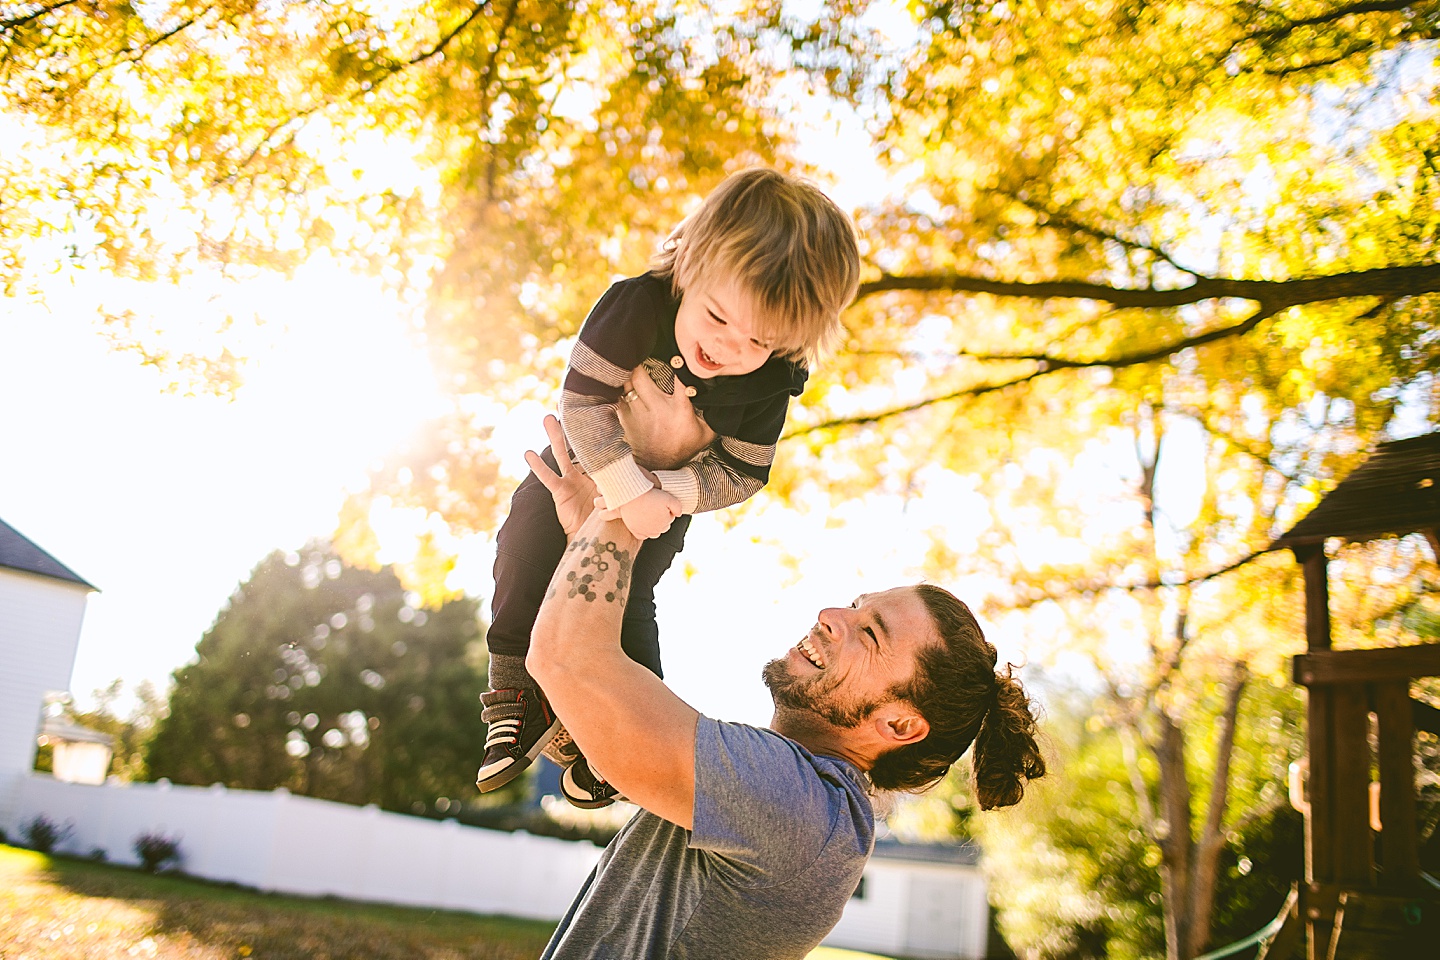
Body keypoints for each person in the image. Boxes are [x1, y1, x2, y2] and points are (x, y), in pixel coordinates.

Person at [519, 413, 1047, 960]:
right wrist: (595, 525)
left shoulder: (804, 810)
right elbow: (581, 665)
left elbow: (568, 661)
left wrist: (628, 481)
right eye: (856, 602)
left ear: (899, 724)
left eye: (870, 632)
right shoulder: (803, 806)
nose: (831, 614)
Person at [477, 168, 862, 807]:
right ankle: (517, 690)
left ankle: (620, 729)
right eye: (716, 317)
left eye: (758, 341)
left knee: (628, 598)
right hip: (583, 463)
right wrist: (622, 484)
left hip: (664, 501)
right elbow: (582, 400)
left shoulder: (769, 383)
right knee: (522, 547)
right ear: (690, 265)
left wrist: (667, 491)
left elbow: (741, 474)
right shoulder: (637, 306)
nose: (727, 347)